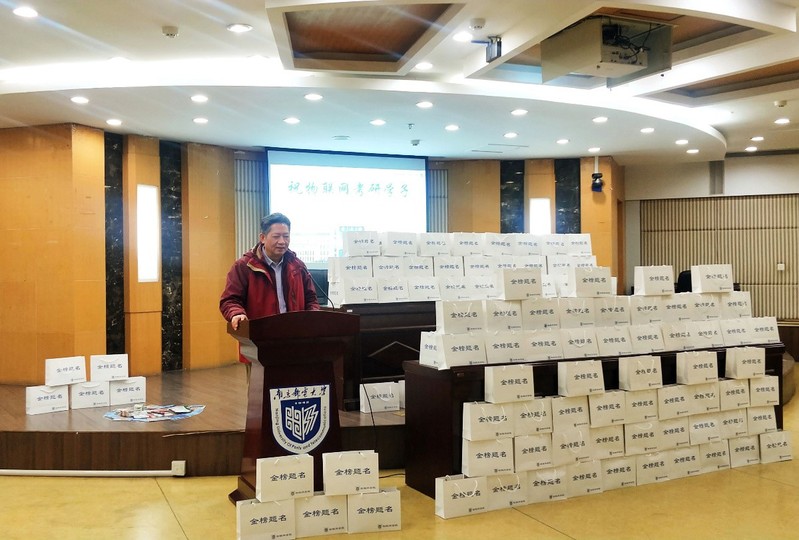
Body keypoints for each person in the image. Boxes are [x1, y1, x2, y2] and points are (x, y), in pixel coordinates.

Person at [220, 212, 320, 335]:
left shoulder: (298, 265)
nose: (282, 241)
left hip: (295, 336)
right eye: (276, 236)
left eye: (286, 236)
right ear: (262, 238)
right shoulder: (244, 266)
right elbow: (230, 300)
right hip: (259, 336)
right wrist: (237, 313)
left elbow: (311, 298)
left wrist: (313, 317)